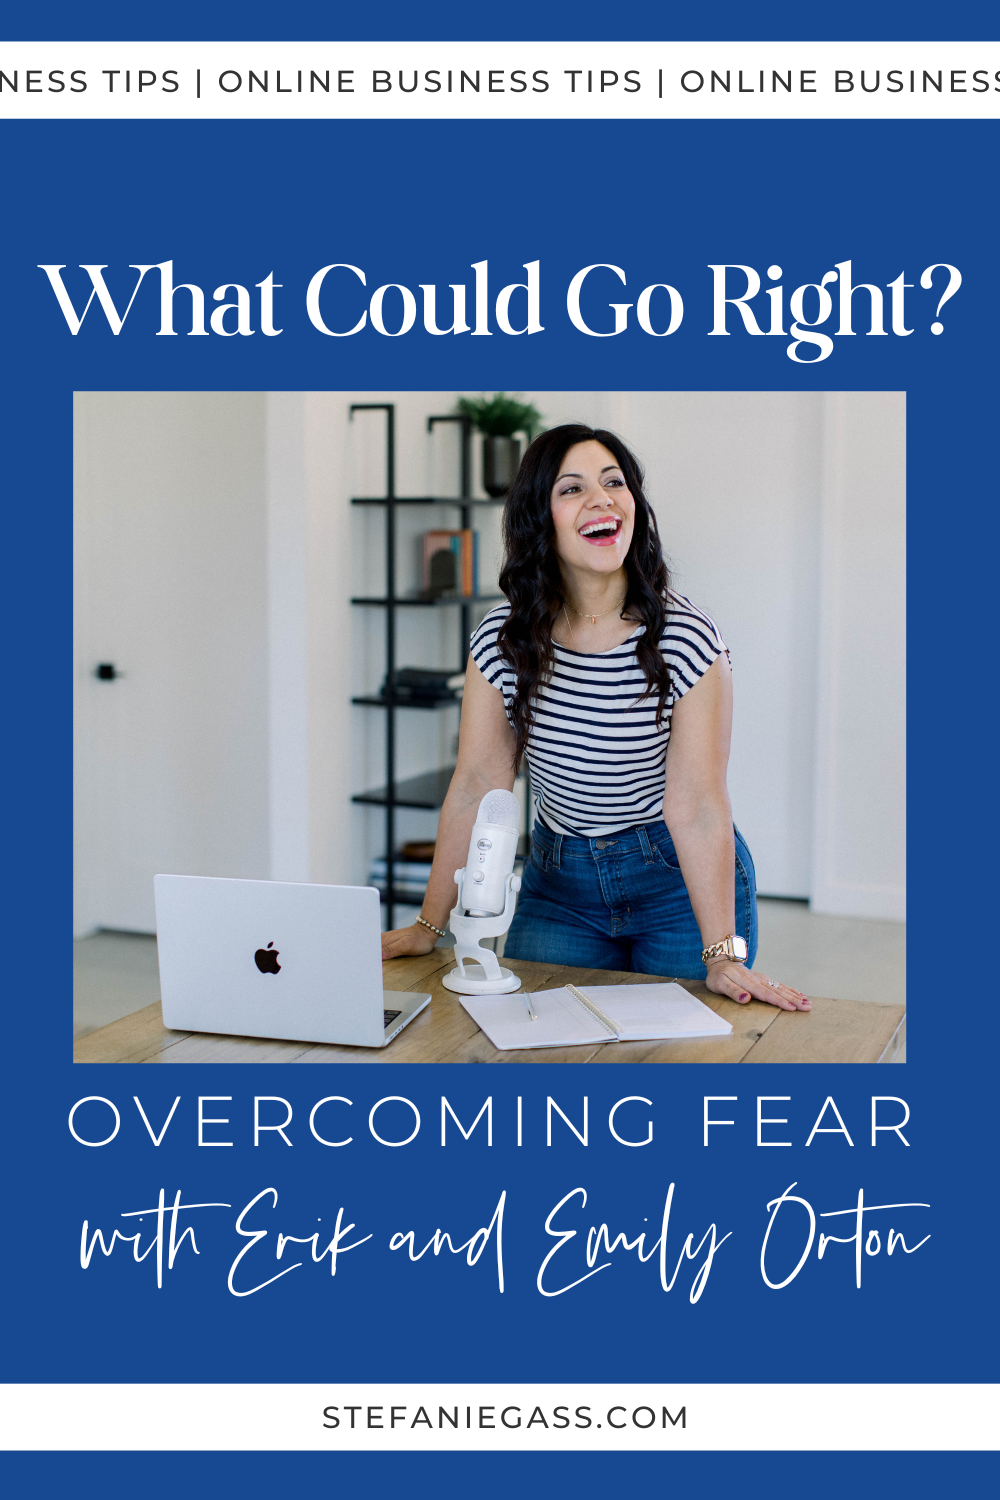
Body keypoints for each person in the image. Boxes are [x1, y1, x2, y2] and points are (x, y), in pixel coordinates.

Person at [381, 424, 810, 1013]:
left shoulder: (686, 636)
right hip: (559, 886)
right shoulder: (502, 640)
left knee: (676, 1062)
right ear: (541, 518)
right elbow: (478, 786)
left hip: (674, 885)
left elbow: (699, 803)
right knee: (533, 1046)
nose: (602, 498)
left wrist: (722, 955)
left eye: (615, 482)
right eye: (572, 488)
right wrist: (430, 927)